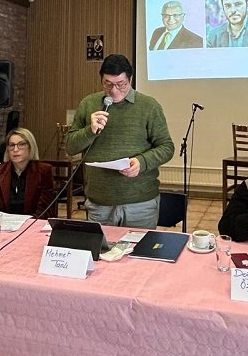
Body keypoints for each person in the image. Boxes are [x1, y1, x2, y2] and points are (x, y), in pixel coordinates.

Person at [65, 54, 174, 228]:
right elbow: (70, 147)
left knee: (139, 246)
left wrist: (142, 162)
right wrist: (89, 131)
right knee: (102, 246)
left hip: (139, 202)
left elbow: (167, 147)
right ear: (101, 80)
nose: (114, 91)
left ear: (130, 79)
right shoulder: (88, 104)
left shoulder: (149, 106)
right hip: (100, 202)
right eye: (108, 84)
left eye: (121, 84)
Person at [0, 128, 56, 218]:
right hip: (3, 223)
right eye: (12, 145)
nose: (15, 149)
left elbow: (45, 210)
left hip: (32, 223)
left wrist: (27, 224)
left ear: (30, 146)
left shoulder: (44, 171)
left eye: (21, 144)